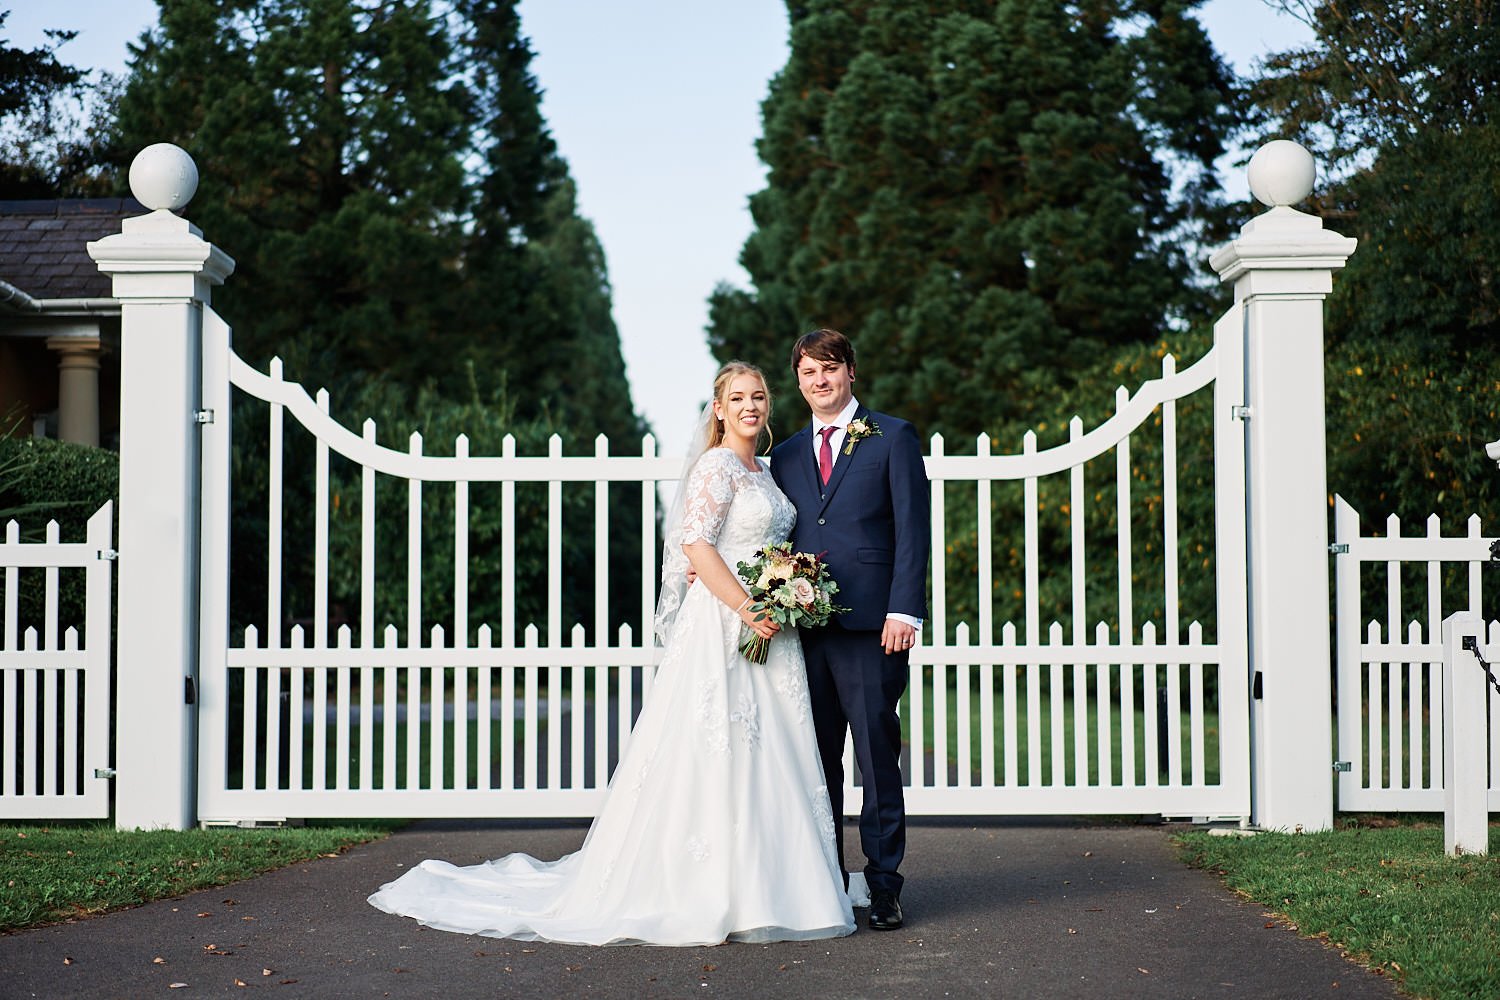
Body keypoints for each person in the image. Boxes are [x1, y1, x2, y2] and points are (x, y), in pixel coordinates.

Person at [368, 362, 855, 946]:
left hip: (773, 636)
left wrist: (784, 594)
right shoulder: (717, 466)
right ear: (718, 409)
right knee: (714, 751)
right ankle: (709, 888)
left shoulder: (768, 472)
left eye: (758, 397)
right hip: (727, 624)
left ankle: (773, 887)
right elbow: (695, 544)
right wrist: (749, 606)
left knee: (772, 756)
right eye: (737, 398)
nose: (750, 406)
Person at [769, 329, 930, 932]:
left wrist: (904, 610)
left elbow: (913, 529)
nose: (820, 380)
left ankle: (885, 885)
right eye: (809, 372)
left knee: (875, 757)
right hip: (803, 633)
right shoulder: (783, 454)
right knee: (816, 765)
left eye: (830, 369)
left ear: (851, 373)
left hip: (872, 628)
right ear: (799, 380)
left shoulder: (893, 437)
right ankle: (827, 882)